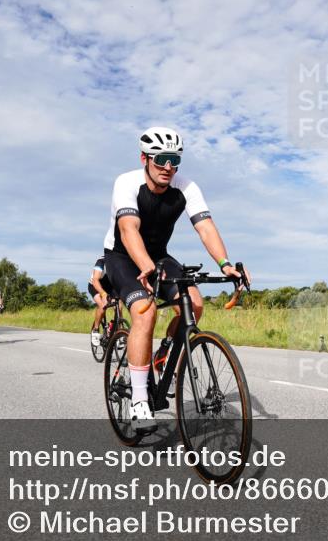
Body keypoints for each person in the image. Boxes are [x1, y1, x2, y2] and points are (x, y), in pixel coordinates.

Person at [104, 126, 250, 429]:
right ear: (144, 158)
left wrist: (225, 264)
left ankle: (165, 351)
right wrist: (145, 266)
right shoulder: (126, 183)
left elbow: (205, 226)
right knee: (146, 313)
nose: (168, 167)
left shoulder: (186, 186)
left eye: (174, 160)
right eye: (161, 160)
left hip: (158, 256)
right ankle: (140, 399)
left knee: (194, 304)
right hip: (122, 257)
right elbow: (129, 229)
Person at [88, 256, 115, 347]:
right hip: (95, 285)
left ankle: (115, 328)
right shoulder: (101, 262)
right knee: (103, 305)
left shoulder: (119, 262)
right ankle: (95, 330)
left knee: (118, 305)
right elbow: (95, 280)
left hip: (109, 286)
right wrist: (103, 294)